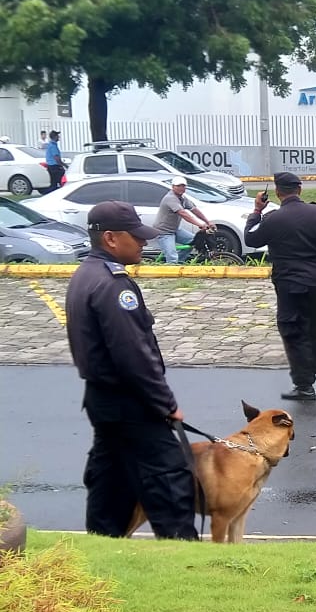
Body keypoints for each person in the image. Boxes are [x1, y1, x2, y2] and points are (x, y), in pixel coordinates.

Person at [65, 201, 199, 540]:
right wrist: (166, 404)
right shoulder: (114, 285)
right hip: (131, 403)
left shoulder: (85, 274)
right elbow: (134, 355)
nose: (144, 243)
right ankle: (184, 561)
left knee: (111, 480)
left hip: (102, 399)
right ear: (110, 238)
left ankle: (102, 548)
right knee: (170, 481)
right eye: (136, 237)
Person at [245, 171, 316, 401]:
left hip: (290, 285)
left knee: (295, 332)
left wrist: (256, 212)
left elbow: (250, 239)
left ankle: (304, 385)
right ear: (300, 189)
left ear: (278, 193)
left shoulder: (273, 219)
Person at [152, 175, 214, 264]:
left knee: (194, 241)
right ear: (173, 187)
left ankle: (179, 263)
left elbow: (194, 210)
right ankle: (171, 269)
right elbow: (184, 214)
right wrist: (199, 224)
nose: (181, 188)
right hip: (163, 232)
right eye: (178, 186)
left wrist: (208, 222)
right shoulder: (170, 198)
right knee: (172, 257)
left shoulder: (183, 198)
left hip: (175, 230)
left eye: (183, 186)